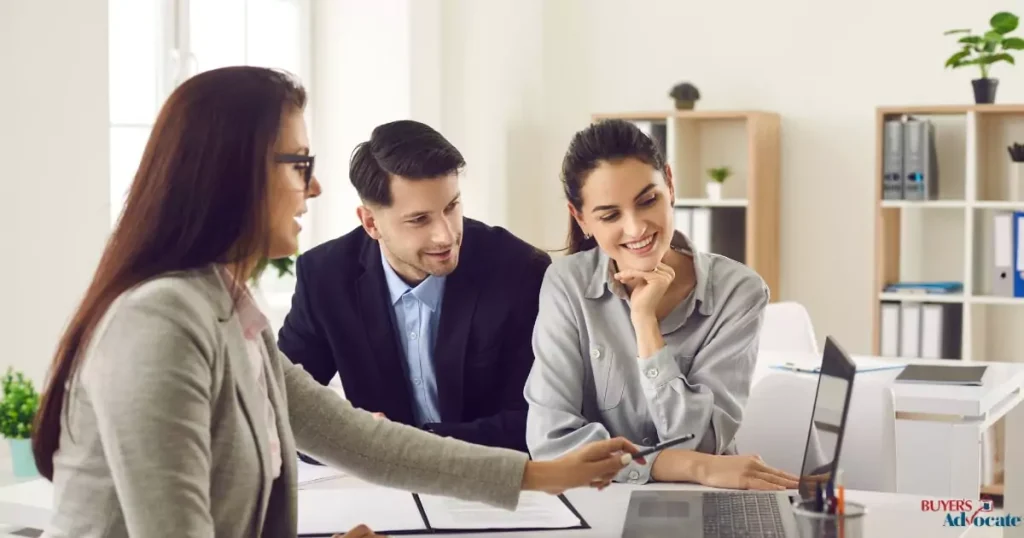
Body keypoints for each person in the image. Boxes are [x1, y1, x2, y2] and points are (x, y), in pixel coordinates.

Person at [30, 67, 639, 538]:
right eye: (300, 164)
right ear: (232, 174)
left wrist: (541, 473)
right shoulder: (159, 322)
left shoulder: (226, 309)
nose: (315, 186)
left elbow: (356, 439)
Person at [523, 118, 799, 490]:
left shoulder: (739, 292)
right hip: (600, 500)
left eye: (648, 201)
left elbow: (701, 443)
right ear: (581, 218)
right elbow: (551, 443)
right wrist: (686, 466)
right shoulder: (566, 284)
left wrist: (645, 323)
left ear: (669, 184)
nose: (637, 228)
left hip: (702, 498)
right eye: (610, 215)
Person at [277, 119, 550, 453]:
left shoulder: (519, 270)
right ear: (371, 222)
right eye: (420, 220)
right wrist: (353, 437)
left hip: (494, 475)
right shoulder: (325, 277)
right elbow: (283, 408)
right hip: (376, 479)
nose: (446, 235)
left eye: (451, 207)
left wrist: (402, 446)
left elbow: (536, 420)